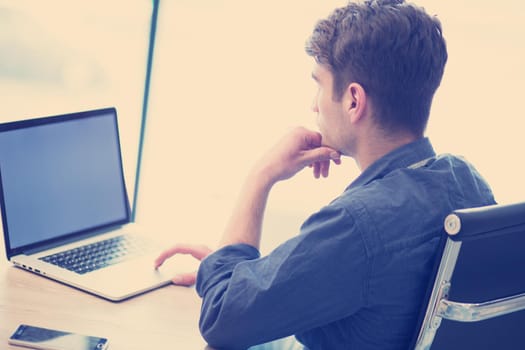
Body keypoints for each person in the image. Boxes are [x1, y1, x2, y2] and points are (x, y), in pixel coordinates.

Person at [155, 0, 496, 349]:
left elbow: (221, 319)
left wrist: (261, 175)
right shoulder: (467, 181)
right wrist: (244, 278)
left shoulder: (356, 226)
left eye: (319, 84)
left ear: (353, 101)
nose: (314, 104)